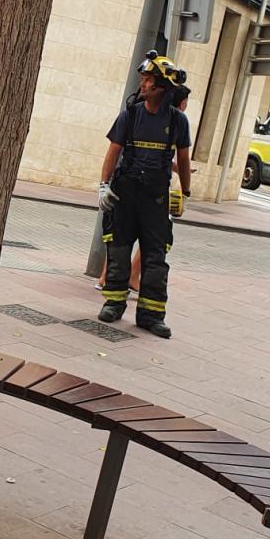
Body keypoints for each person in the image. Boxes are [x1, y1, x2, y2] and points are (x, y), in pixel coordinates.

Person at [98, 53, 193, 339]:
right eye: (143, 78)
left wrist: (185, 193)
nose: (143, 84)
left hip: (156, 197)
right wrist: (103, 186)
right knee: (119, 248)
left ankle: (151, 315)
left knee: (155, 255)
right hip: (126, 192)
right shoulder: (130, 115)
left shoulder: (178, 121)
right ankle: (114, 303)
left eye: (148, 79)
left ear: (162, 86)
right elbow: (113, 152)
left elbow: (184, 159)